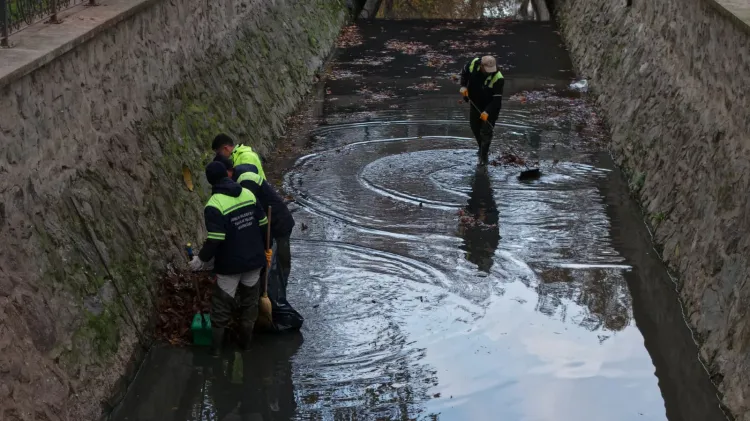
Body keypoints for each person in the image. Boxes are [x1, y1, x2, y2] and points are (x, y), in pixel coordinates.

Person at [213, 154, 302, 332]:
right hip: (269, 226)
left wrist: (262, 248)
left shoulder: (246, 182)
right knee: (271, 269)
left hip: (278, 225)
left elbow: (251, 216)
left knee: (275, 271)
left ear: (229, 171)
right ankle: (270, 304)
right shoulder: (239, 177)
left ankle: (279, 313)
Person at [189, 161, 269, 355]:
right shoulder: (248, 194)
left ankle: (216, 353)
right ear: (228, 174)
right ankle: (246, 347)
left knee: (221, 309)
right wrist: (264, 250)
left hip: (229, 266)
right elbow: (264, 224)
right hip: (254, 261)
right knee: (250, 306)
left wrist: (200, 260)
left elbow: (216, 239)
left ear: (210, 181)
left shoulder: (214, 204)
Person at [459, 55, 505, 166]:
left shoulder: (498, 78)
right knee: (474, 126)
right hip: (475, 103)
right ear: (481, 66)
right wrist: (463, 86)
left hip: (491, 107)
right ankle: (481, 148)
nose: (489, 72)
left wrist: (487, 112)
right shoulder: (473, 64)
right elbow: (464, 73)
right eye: (487, 70)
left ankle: (483, 157)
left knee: (486, 132)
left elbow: (497, 100)